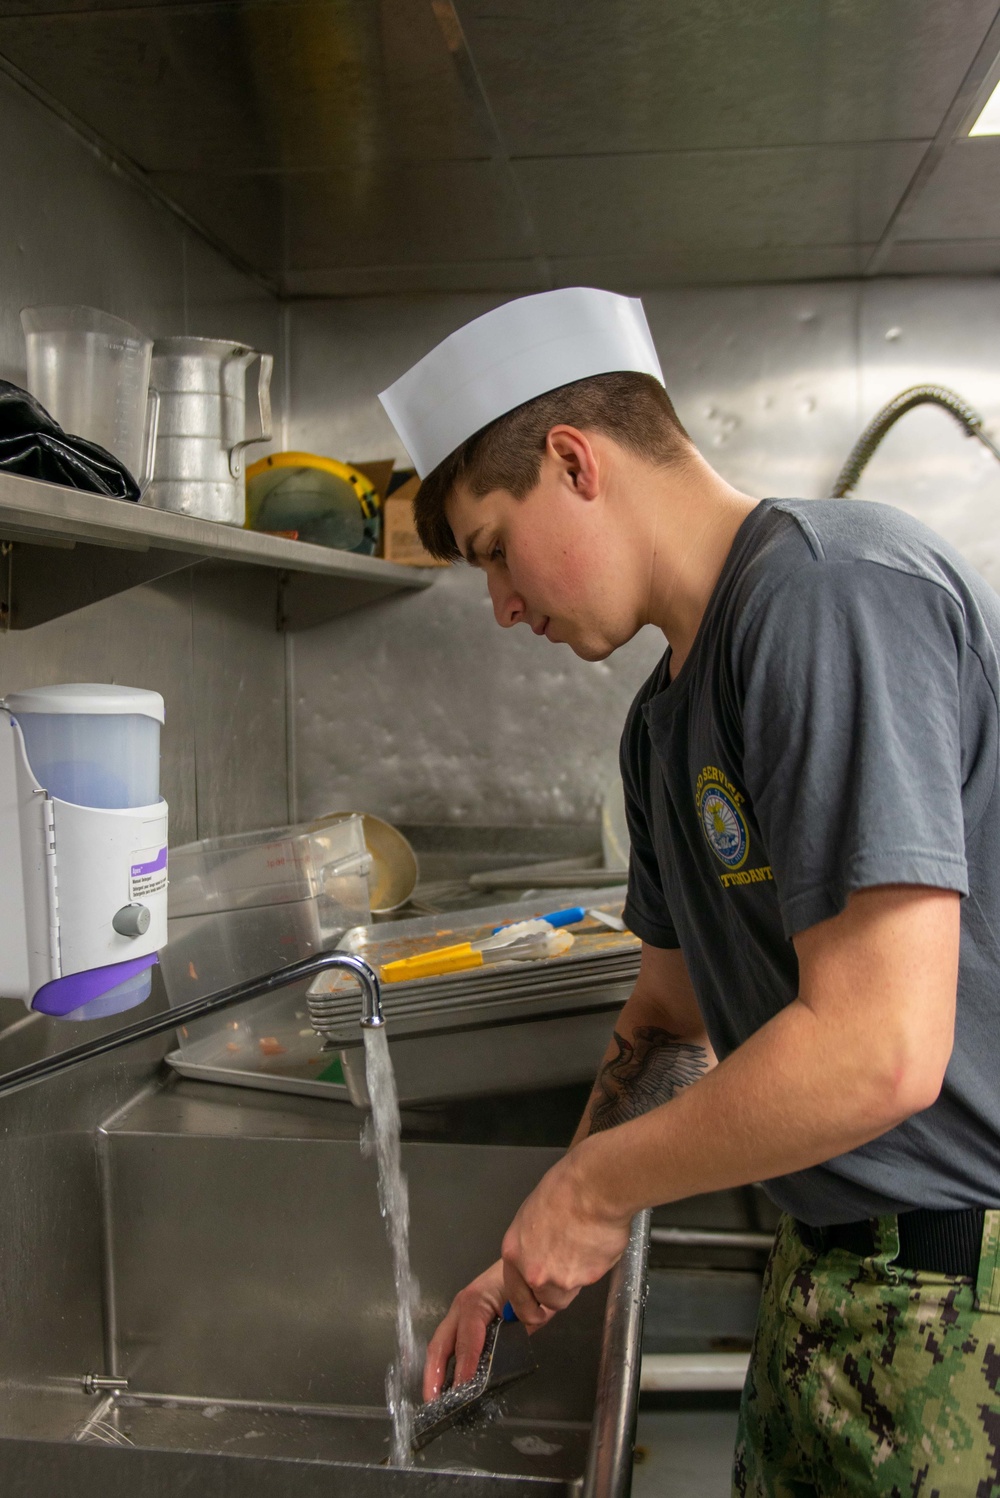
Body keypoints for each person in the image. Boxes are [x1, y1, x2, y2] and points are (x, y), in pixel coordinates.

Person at [377, 288, 1000, 1496]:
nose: (503, 607)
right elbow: (668, 1021)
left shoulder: (829, 597)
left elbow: (881, 1048)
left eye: (496, 549)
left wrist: (595, 1185)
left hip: (965, 1294)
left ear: (573, 460)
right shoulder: (661, 724)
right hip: (826, 1284)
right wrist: (529, 1258)